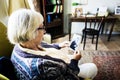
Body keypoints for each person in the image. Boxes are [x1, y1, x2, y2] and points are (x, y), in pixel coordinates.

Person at [7, 9, 98, 80]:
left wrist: (58, 45)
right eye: (42, 27)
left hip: (62, 65)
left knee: (77, 59)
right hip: (68, 70)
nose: (44, 31)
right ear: (30, 33)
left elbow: (43, 46)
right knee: (92, 67)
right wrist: (74, 61)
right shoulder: (41, 68)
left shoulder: (22, 44)